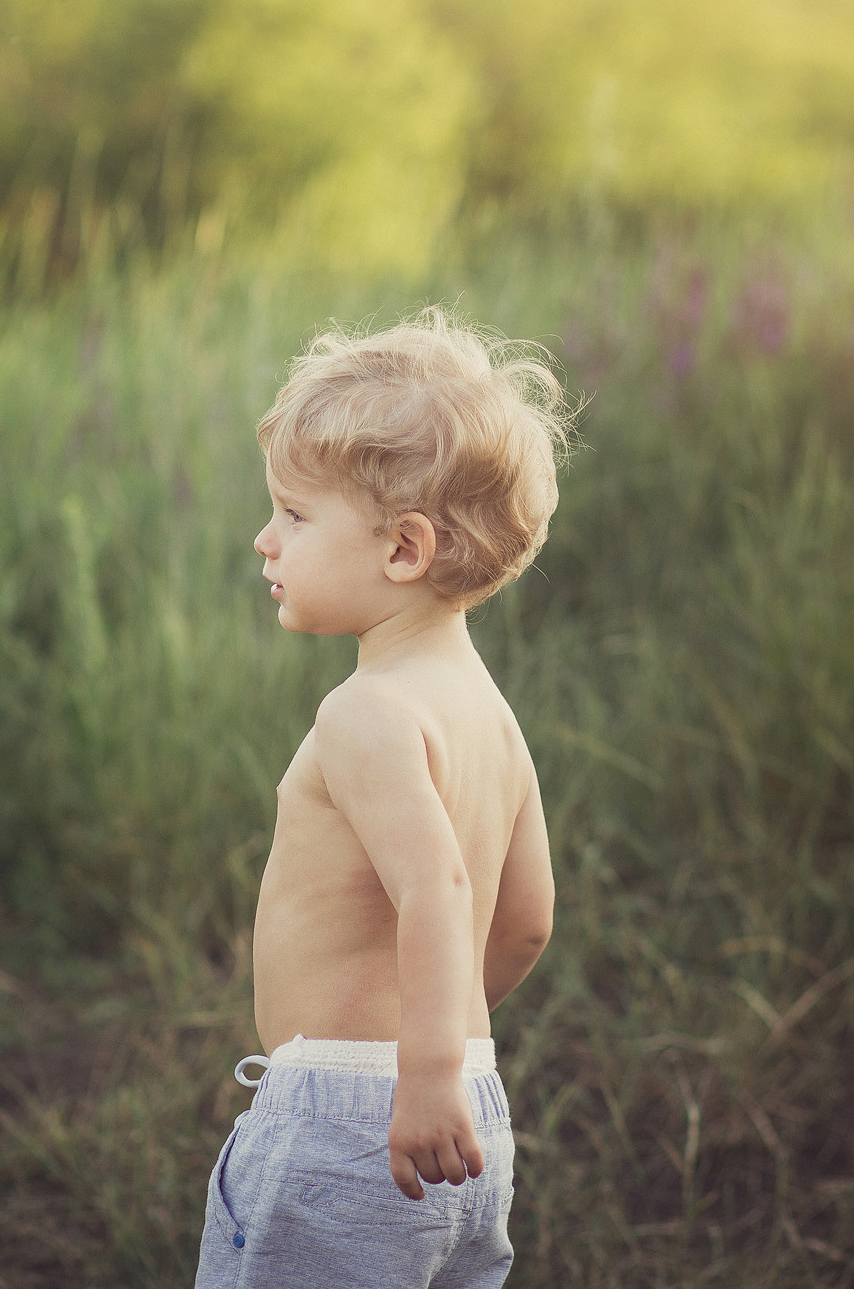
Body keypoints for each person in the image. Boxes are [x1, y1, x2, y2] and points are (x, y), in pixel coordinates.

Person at [195, 311, 573, 1289]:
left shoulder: (366, 711)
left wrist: (418, 1070)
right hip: (471, 1115)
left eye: (293, 514)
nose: (264, 537)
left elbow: (437, 889)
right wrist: (446, 1047)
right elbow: (526, 923)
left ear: (403, 549)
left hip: (350, 1124)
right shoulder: (492, 719)